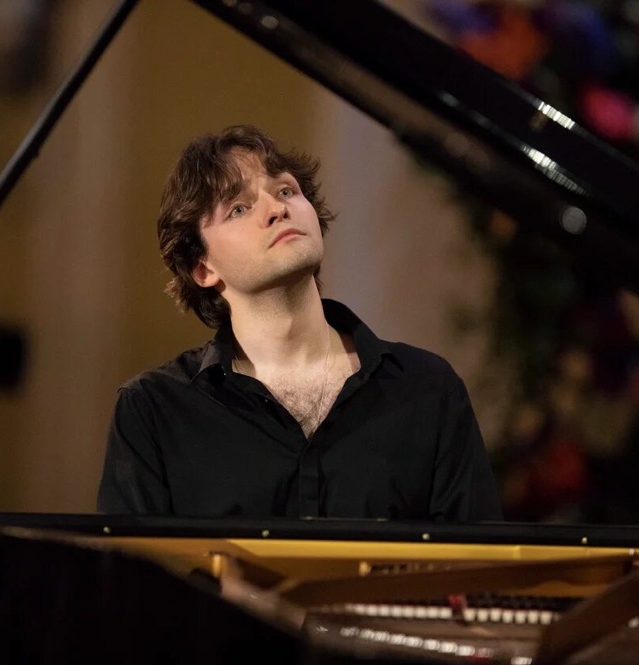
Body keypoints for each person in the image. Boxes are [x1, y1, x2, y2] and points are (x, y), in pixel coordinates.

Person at [97, 125, 501, 521]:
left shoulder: (428, 388)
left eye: (286, 191)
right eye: (239, 208)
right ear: (202, 268)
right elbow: (132, 567)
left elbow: (476, 561)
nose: (277, 209)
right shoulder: (153, 410)